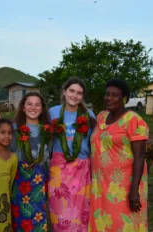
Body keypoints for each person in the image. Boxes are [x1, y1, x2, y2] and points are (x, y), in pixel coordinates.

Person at [88, 79, 149, 232]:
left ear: (124, 99)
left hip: (123, 186)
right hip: (100, 185)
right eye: (107, 94)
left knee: (123, 224)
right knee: (103, 222)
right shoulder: (101, 117)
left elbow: (140, 157)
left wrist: (134, 190)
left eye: (115, 95)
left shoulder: (134, 120)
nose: (109, 98)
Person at [48, 77, 96, 232]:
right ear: (64, 92)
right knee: (59, 213)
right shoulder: (53, 112)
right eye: (72, 91)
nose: (74, 96)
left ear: (82, 96)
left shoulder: (89, 116)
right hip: (58, 170)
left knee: (80, 213)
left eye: (79, 93)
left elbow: (96, 142)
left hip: (81, 169)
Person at [9, 92, 51, 232]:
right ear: (23, 107)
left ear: (42, 108)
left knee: (38, 224)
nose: (33, 108)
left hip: (39, 186)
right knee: (20, 224)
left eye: (37, 104)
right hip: (19, 185)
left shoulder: (47, 131)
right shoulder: (13, 130)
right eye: (29, 104)